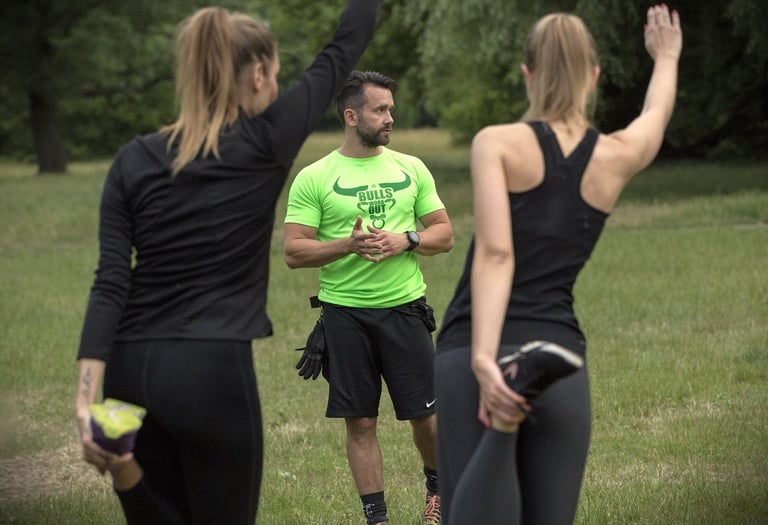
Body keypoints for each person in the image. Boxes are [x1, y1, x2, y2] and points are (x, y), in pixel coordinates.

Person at [74, 2, 380, 523]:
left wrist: (86, 401)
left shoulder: (133, 159)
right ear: (257, 73)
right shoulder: (265, 141)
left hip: (130, 370)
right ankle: (127, 471)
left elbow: (110, 282)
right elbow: (345, 42)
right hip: (209, 370)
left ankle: (126, 469)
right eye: (276, 75)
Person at [434, 5, 682, 525]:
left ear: (527, 73)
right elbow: (654, 117)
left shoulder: (496, 144)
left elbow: (498, 254)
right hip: (560, 357)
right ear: (593, 75)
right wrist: (666, 57)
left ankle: (504, 422)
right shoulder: (615, 155)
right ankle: (520, 392)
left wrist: (485, 360)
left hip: (474, 348)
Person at [284, 70, 454, 525]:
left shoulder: (411, 168)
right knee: (360, 422)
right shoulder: (315, 177)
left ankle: (437, 490)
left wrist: (407, 239)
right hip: (345, 317)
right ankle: (375, 518)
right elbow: (294, 252)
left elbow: (445, 235)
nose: (390, 118)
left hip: (404, 310)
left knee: (427, 419)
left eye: (391, 110)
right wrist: (346, 245)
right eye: (381, 110)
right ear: (351, 115)